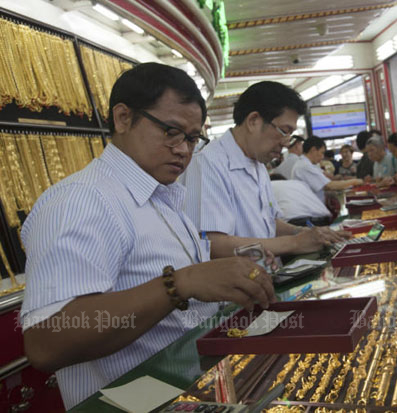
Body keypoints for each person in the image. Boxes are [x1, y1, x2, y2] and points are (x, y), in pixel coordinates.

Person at [18, 63, 276, 409]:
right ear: (123, 118)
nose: (184, 150)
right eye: (171, 132)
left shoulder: (164, 197)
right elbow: (47, 342)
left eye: (192, 138)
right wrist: (179, 284)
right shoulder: (82, 200)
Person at [182, 81, 348, 259]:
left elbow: (269, 223)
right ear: (253, 121)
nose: (286, 142)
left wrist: (305, 233)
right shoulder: (207, 164)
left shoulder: (258, 163)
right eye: (284, 131)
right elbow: (212, 245)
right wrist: (295, 243)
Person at [291, 136, 363, 202]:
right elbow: (329, 186)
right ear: (313, 150)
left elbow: (328, 178)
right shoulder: (305, 166)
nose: (322, 157)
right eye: (322, 153)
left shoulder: (310, 164)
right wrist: (354, 181)